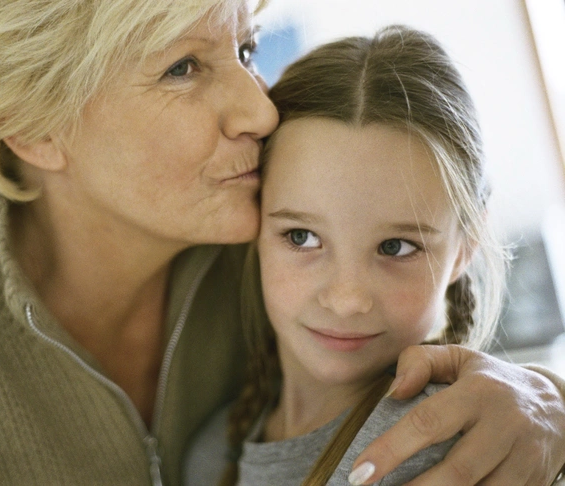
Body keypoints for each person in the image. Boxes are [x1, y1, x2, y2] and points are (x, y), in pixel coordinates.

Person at [0, 0, 564, 484]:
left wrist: (551, 401)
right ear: (32, 125)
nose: (260, 107)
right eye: (182, 67)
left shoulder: (265, 223)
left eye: (246, 48)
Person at [184, 25, 514, 485]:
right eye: (301, 237)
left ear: (465, 247)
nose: (346, 299)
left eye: (396, 247)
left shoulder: (455, 451)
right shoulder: (210, 453)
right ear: (254, 223)